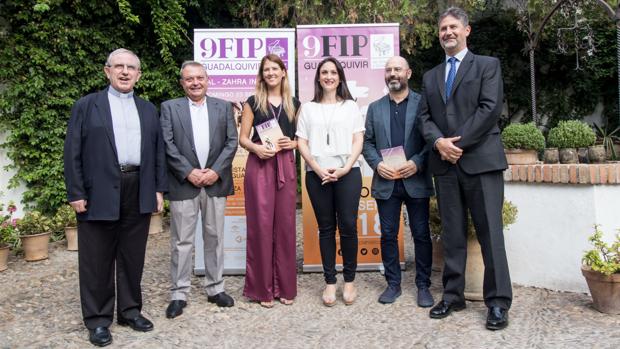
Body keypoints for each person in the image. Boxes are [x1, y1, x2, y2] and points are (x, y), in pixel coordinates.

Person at [63, 48, 167, 347]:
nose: (124, 72)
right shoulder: (86, 106)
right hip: (98, 191)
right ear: (106, 71)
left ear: (138, 74)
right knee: (96, 258)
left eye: (130, 67)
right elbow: (73, 152)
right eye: (118, 66)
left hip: (138, 186)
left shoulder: (148, 109)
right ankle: (97, 320)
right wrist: (76, 192)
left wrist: (158, 189)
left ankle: (130, 311)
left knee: (132, 255)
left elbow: (158, 151)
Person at [417, 7, 512, 330]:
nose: (448, 32)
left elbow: (489, 109)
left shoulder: (487, 66)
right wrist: (439, 143)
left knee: (490, 235)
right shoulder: (430, 76)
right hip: (444, 165)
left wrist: (456, 144)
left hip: (481, 163)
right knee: (453, 235)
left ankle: (498, 302)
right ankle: (453, 295)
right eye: (443, 28)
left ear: (467, 30)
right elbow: (424, 118)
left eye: (453, 27)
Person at [160, 61, 238, 319]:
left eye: (199, 78)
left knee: (215, 238)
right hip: (185, 183)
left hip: (215, 182)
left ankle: (216, 288)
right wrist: (189, 172)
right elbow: (168, 144)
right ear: (182, 82)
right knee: (181, 242)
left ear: (208, 80)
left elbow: (231, 142)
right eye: (189, 79)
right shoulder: (170, 108)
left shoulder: (223, 107)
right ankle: (179, 293)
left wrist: (215, 170)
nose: (195, 83)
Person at [362, 56, 435, 306]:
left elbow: (431, 140)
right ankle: (393, 284)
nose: (393, 73)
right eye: (389, 70)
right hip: (387, 181)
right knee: (389, 234)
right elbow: (367, 143)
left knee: (422, 234)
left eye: (398, 69)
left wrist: (416, 162)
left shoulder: (423, 103)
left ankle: (423, 285)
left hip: (415, 178)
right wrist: (377, 165)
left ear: (409, 73)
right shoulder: (375, 108)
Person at [296, 57, 364, 306]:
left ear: (340, 77)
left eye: (333, 72)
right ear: (318, 77)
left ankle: (349, 281)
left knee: (347, 226)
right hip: (317, 175)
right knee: (325, 228)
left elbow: (358, 139)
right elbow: (301, 141)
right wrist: (316, 167)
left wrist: (346, 168)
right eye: (324, 72)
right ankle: (330, 283)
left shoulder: (351, 106)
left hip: (348, 172)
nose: (328, 76)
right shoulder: (308, 108)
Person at [239, 54, 300, 308]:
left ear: (283, 72)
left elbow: (301, 139)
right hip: (260, 165)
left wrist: (293, 143)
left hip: (285, 164)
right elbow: (243, 138)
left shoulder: (294, 103)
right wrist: (256, 148)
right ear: (262, 75)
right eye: (266, 70)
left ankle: (285, 286)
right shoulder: (252, 102)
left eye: (275, 69)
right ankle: (262, 289)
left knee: (285, 227)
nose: (271, 73)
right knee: (261, 228)